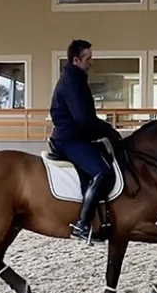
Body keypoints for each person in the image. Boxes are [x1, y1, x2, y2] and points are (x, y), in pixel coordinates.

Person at [49, 39, 122, 243]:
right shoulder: (72, 81)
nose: (91, 62)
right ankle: (82, 225)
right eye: (88, 58)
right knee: (103, 172)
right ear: (76, 60)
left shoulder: (76, 78)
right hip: (70, 139)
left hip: (76, 135)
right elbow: (83, 118)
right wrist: (108, 130)